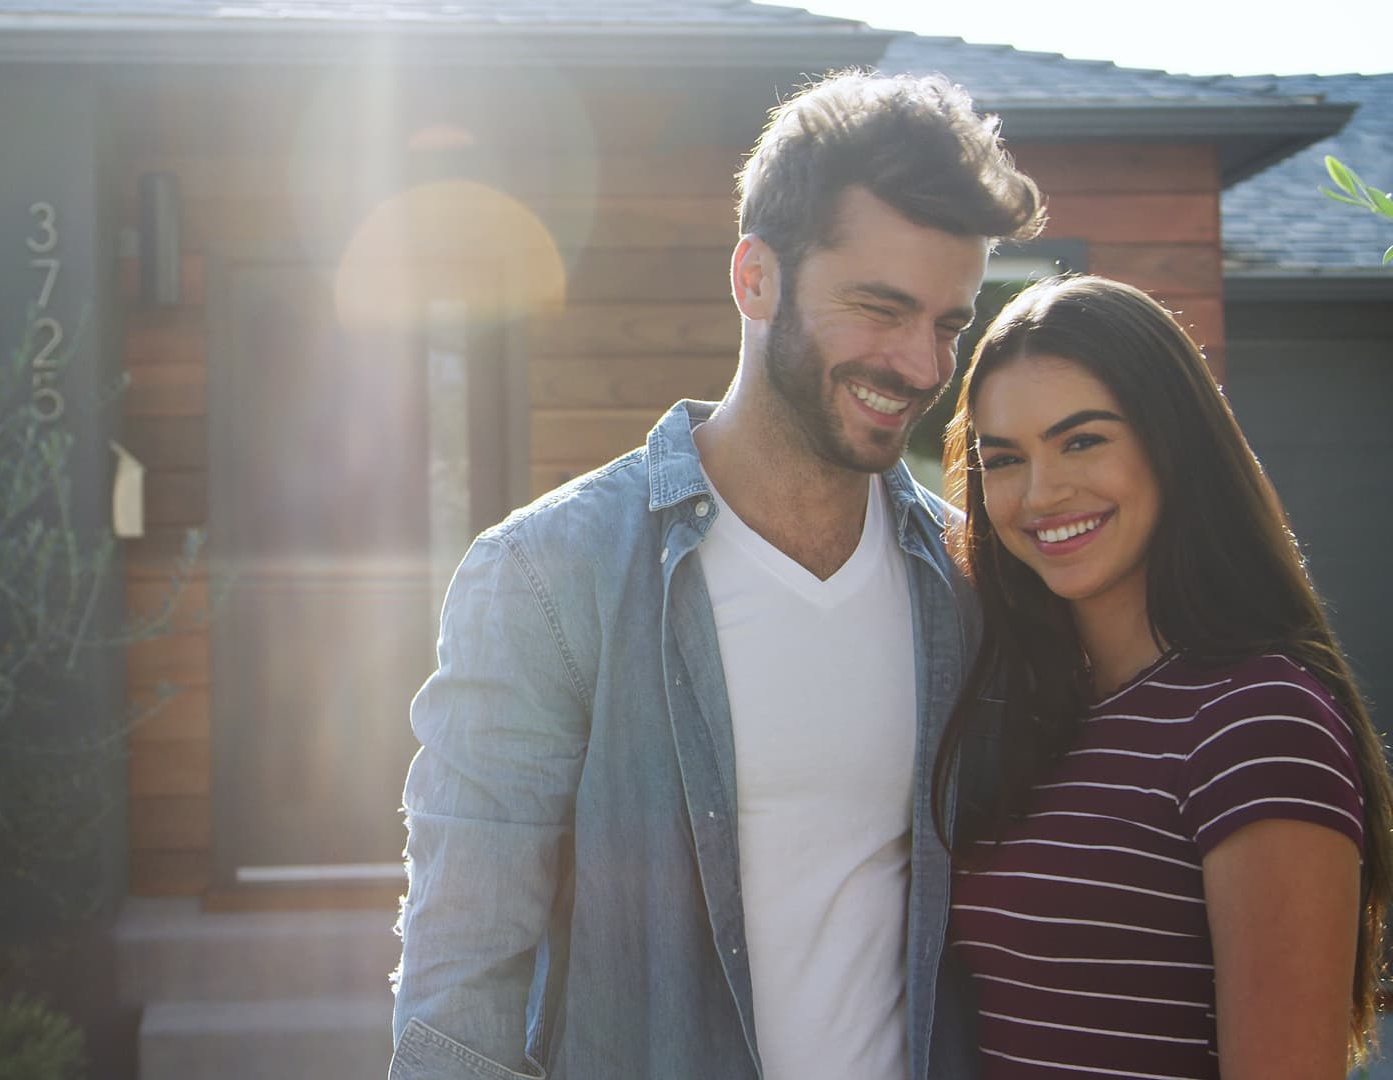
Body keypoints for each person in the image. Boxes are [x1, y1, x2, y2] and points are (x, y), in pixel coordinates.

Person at [389, 71, 1044, 1080]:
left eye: (949, 325)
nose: (921, 365)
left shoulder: (966, 579)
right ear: (755, 279)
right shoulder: (548, 577)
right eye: (880, 308)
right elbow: (463, 978)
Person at [936, 274, 1393, 1078]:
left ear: (1171, 440)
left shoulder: (1259, 721)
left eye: (1082, 441)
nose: (1041, 494)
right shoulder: (1028, 713)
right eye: (1004, 459)